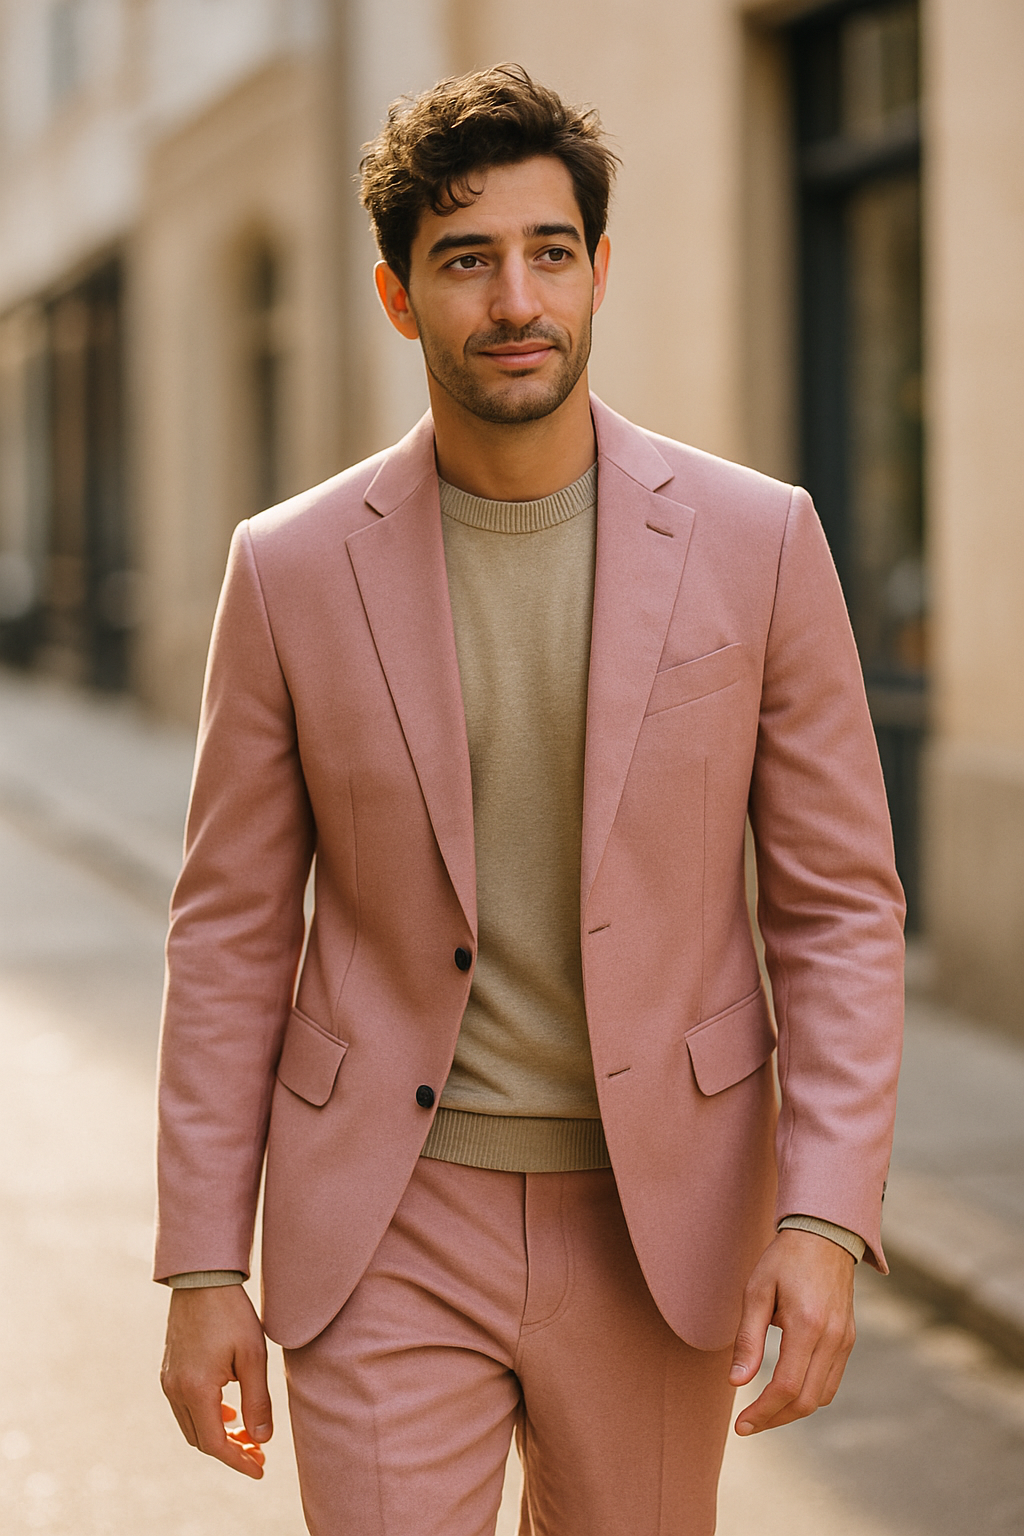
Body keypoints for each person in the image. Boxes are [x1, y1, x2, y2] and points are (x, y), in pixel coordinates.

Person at [156, 64, 904, 1536]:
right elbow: (230, 930)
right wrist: (200, 1265)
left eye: (550, 253)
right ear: (397, 295)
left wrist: (822, 1218)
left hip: (658, 1222)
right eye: (466, 258)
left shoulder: (759, 544)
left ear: (599, 272)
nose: (516, 299)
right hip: (383, 1217)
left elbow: (839, 909)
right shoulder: (290, 570)